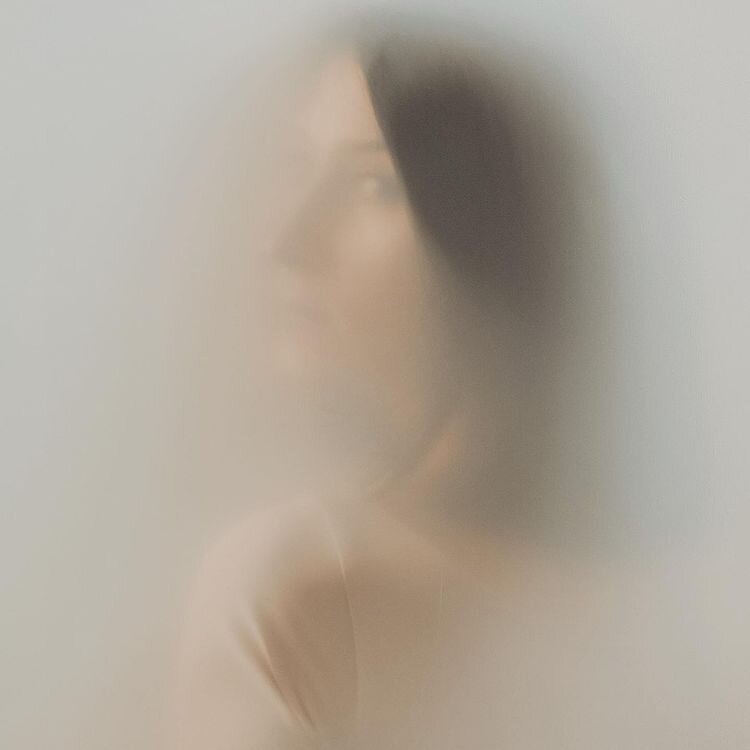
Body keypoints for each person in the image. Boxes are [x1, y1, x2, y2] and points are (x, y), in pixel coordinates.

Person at [167, 14, 688, 750]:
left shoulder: (297, 585)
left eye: (374, 183)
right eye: (298, 169)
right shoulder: (664, 626)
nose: (288, 239)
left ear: (483, 235)